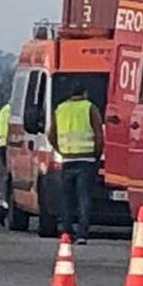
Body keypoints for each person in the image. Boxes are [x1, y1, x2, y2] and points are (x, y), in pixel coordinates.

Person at [48, 84, 104, 244]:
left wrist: (62, 151)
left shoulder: (60, 109)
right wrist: (96, 154)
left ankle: (66, 232)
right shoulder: (89, 108)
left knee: (66, 198)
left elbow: (51, 135)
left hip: (67, 159)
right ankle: (82, 234)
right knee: (84, 198)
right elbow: (99, 134)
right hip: (86, 160)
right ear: (84, 93)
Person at [0, 101, 11, 167]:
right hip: (8, 143)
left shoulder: (3, 109)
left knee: (5, 167)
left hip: (1, 143)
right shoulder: (10, 110)